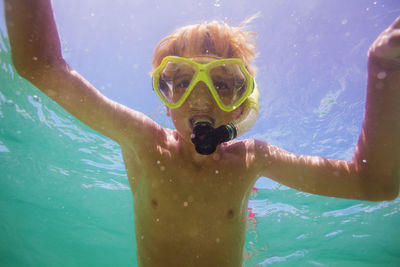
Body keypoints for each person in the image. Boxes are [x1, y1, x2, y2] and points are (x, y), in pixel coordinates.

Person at [4, 0, 400, 266]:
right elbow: (41, 66)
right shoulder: (145, 143)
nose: (200, 99)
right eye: (181, 81)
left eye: (222, 83)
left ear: (242, 103)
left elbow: (374, 184)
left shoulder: (251, 160)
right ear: (165, 95)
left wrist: (385, 65)